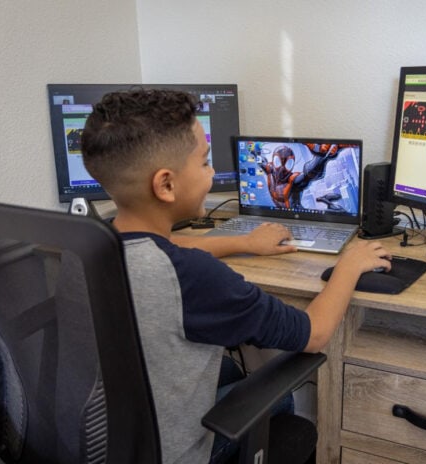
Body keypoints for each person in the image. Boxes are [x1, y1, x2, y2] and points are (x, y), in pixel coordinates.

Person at [80, 88, 392, 464]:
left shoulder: (91, 244)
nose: (213, 173)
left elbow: (169, 246)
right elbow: (315, 332)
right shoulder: (195, 276)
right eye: (205, 163)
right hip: (177, 453)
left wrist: (244, 243)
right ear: (166, 184)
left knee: (227, 366)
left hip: (104, 440)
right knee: (284, 399)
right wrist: (348, 265)